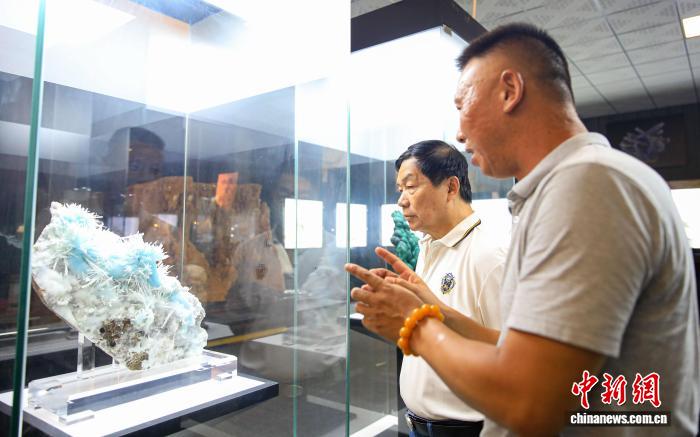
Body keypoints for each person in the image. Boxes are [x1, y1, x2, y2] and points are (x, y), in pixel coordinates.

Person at [346, 22, 699, 436]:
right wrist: (431, 309)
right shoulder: (565, 187)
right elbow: (512, 349)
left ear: (509, 90)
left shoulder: (588, 184)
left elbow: (530, 400)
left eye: (462, 105)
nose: (459, 131)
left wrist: (415, 325)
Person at [388, 140, 506, 436]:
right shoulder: (429, 245)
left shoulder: (490, 256)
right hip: (419, 426)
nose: (401, 200)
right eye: (400, 189)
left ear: (451, 188)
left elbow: (514, 354)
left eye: (411, 187)